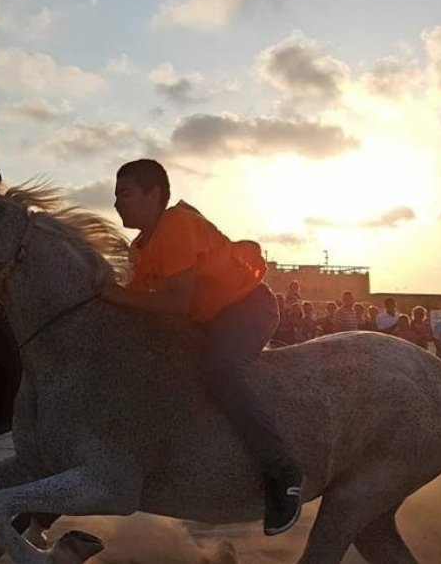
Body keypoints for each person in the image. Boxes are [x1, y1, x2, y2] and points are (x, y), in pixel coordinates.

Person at [101, 158, 303, 537]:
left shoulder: (175, 225)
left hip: (248, 307)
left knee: (220, 371)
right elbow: (141, 305)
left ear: (154, 194)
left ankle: (282, 473)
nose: (116, 203)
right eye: (115, 196)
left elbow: (175, 303)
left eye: (124, 194)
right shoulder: (141, 247)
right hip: (207, 320)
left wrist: (110, 295)